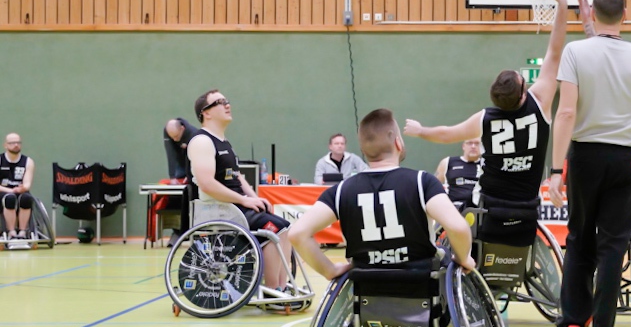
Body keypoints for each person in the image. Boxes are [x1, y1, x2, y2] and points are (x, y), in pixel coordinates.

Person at [404, 0, 579, 247]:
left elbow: (446, 134)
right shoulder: (541, 101)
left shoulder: (485, 119)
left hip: (489, 205)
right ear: (523, 94)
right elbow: (555, 51)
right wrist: (563, 5)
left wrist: (420, 131)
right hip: (527, 205)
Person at [547, 0, 631, 327]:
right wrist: (628, 113)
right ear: (625, 15)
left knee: (579, 238)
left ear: (593, 15)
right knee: (613, 245)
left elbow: (566, 112)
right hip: (625, 157)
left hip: (585, 156)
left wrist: (556, 169)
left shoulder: (575, 52)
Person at [289, 108, 474, 283]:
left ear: (363, 150)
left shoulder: (340, 190)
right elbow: (458, 227)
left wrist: (329, 270)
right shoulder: (422, 181)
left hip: (366, 284)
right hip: (420, 283)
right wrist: (464, 258)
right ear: (398, 143)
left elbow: (297, 234)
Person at [186, 89, 291, 292]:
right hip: (219, 209)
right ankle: (271, 291)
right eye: (220, 102)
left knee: (286, 227)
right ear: (206, 113)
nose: (227, 105)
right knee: (275, 230)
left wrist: (255, 198)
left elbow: (238, 177)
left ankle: (282, 287)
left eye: (227, 101)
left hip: (235, 207)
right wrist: (244, 201)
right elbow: (207, 183)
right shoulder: (201, 141)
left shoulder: (224, 142)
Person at [1, 132, 35, 239]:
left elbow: (27, 183)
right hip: (4, 191)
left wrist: (24, 188)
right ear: (5, 145)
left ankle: (22, 231)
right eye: (12, 143)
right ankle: (11, 232)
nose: (16, 145)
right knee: (10, 198)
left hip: (20, 191)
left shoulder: (28, 161)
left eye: (18, 142)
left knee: (26, 198)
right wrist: (10, 191)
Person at [435, 138, 483, 209]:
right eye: (469, 143)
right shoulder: (448, 162)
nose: (473, 146)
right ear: (463, 146)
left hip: (478, 209)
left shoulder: (486, 165)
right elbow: (434, 185)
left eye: (477, 144)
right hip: (453, 207)